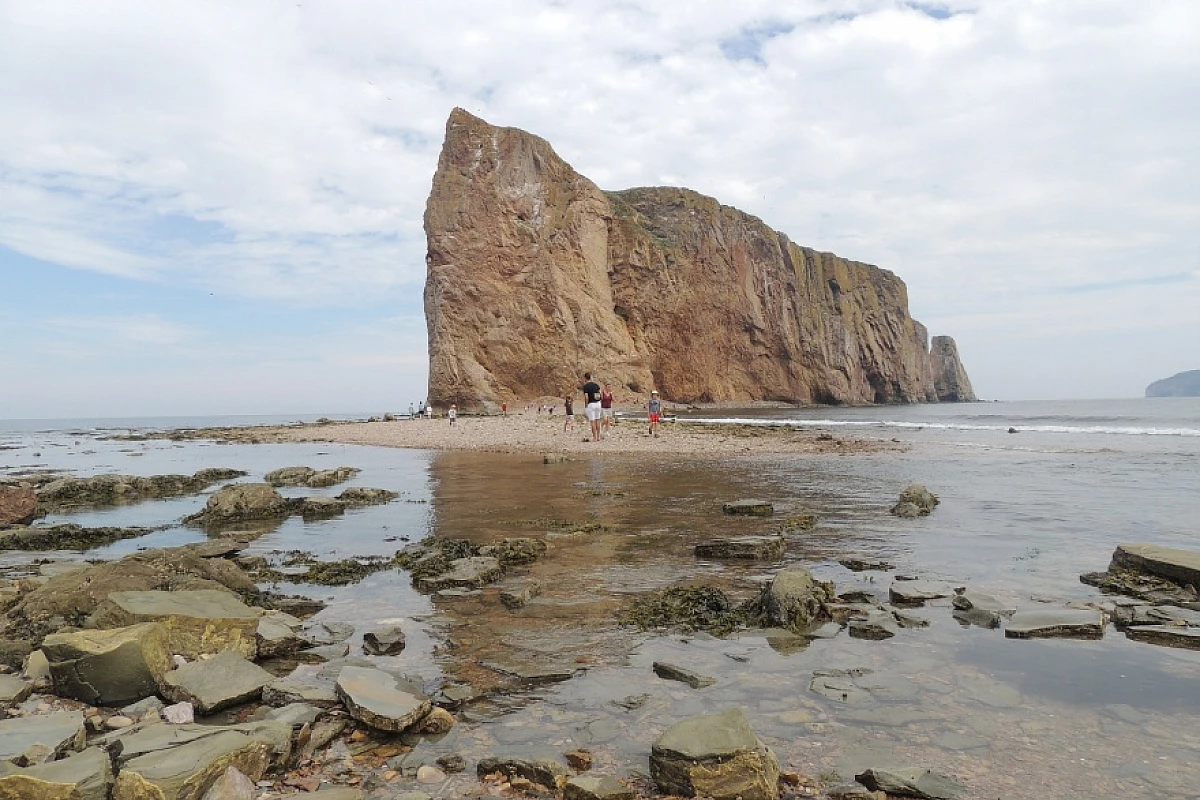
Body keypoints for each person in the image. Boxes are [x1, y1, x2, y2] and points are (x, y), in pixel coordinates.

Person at [580, 372, 602, 442]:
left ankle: (594, 437)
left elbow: (586, 397)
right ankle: (598, 437)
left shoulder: (585, 386)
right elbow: (600, 394)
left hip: (591, 404)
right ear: (590, 377)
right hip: (598, 403)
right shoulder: (596, 385)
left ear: (585, 378)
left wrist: (586, 405)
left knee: (592, 421)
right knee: (598, 420)